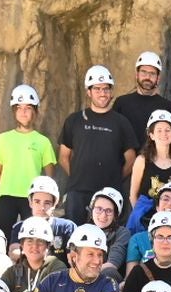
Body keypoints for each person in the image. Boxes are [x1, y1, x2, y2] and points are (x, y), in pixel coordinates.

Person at [58, 65, 140, 225]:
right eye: (97, 89)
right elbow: (63, 156)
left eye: (106, 89)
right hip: (77, 192)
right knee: (75, 236)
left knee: (107, 238)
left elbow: (131, 159)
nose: (102, 93)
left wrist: (115, 178)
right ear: (89, 92)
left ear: (111, 92)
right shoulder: (74, 120)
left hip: (109, 194)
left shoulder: (121, 122)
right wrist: (77, 176)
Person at [125, 109, 171, 231]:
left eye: (167, 130)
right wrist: (139, 218)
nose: (163, 134)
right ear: (151, 135)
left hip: (167, 222)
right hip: (143, 220)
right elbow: (133, 195)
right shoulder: (142, 160)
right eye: (159, 130)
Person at [114, 52, 171, 149]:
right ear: (137, 74)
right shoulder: (121, 103)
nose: (147, 77)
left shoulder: (168, 107)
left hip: (158, 163)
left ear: (158, 78)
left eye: (152, 73)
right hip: (127, 162)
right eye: (144, 72)